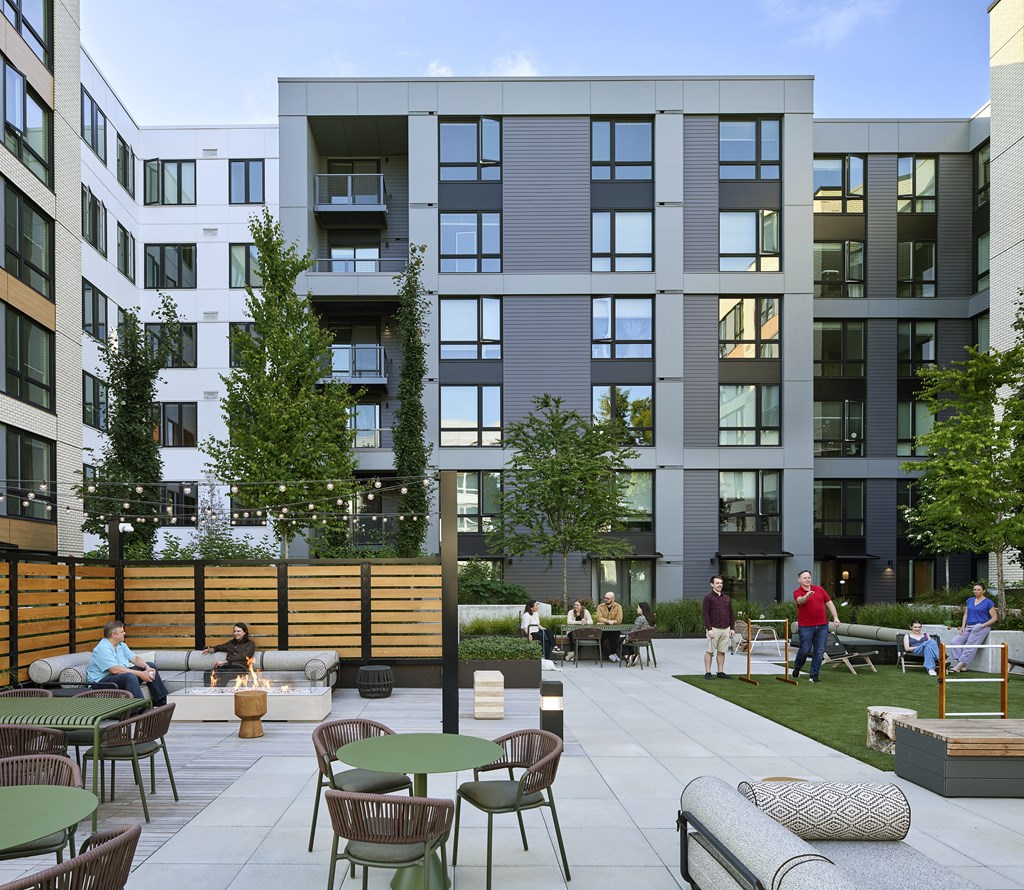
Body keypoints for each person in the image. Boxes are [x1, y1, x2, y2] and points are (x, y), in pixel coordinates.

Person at [86, 620, 168, 706]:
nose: (124, 633)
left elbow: (135, 658)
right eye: (122, 631)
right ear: (114, 635)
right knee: (130, 677)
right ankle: (140, 709)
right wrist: (140, 674)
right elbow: (115, 670)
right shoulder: (102, 648)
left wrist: (146, 667)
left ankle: (161, 700)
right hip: (100, 682)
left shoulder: (121, 645)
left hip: (117, 677)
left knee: (151, 666)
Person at [790, 570, 840, 684]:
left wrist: (835, 617)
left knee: (819, 651)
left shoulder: (819, 589)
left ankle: (814, 676)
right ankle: (797, 668)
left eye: (809, 577)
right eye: (804, 578)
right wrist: (806, 596)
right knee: (805, 650)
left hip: (822, 626)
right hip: (806, 627)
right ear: (799, 580)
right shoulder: (797, 592)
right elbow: (800, 601)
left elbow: (829, 603)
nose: (807, 579)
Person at [947, 583, 998, 673]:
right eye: (974, 589)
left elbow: (995, 618)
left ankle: (958, 667)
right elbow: (966, 614)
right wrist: (963, 626)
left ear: (983, 591)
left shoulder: (988, 602)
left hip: (981, 627)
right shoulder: (970, 600)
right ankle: (962, 665)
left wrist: (981, 626)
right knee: (955, 642)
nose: (976, 591)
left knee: (969, 646)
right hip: (969, 626)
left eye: (978, 590)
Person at [703, 575, 735, 680]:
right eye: (717, 583)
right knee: (710, 651)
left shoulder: (727, 598)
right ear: (712, 585)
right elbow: (705, 614)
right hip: (714, 629)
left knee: (722, 652)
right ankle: (708, 672)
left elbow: (731, 614)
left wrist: (732, 628)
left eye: (721, 583)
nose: (719, 585)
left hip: (726, 629)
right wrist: (709, 629)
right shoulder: (708, 598)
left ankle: (720, 672)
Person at [622, 601, 655, 667]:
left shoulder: (640, 618)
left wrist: (626, 638)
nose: (637, 609)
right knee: (624, 640)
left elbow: (634, 631)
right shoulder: (650, 618)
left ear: (642, 609)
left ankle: (628, 657)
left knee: (619, 641)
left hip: (637, 640)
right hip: (646, 640)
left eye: (638, 608)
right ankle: (633, 656)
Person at [596, 590, 624, 662]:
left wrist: (604, 621)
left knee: (614, 638)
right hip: (603, 630)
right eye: (605, 598)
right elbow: (599, 618)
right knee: (597, 640)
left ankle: (613, 653)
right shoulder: (600, 606)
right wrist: (608, 621)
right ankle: (610, 655)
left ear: (613, 599)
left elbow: (619, 620)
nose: (605, 599)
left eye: (608, 598)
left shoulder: (618, 607)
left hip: (614, 629)